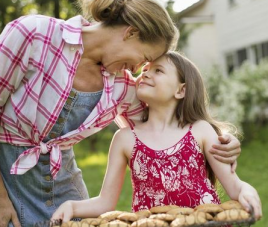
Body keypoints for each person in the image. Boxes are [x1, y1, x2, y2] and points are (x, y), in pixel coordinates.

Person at [0, 1, 242, 226]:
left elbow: (168, 131)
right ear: (131, 33)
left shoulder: (123, 88)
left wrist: (221, 140)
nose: (138, 70)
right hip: (7, 183)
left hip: (66, 191)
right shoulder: (34, 35)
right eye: (144, 59)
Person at [51, 51, 262, 222]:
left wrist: (248, 191)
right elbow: (106, 202)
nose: (145, 74)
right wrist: (71, 205)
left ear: (181, 90)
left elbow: (235, 186)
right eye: (145, 69)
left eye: (158, 70)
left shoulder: (200, 130)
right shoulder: (125, 139)